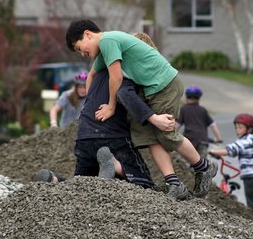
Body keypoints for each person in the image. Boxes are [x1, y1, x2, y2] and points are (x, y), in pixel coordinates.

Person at [66, 20, 218, 200]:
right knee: (145, 137)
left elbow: (116, 78)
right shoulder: (102, 53)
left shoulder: (108, 41)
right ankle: (173, 183)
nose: (82, 53)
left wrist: (111, 106)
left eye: (79, 47)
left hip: (164, 85)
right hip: (150, 91)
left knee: (165, 133)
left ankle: (203, 167)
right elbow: (91, 75)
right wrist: (89, 106)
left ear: (88, 34)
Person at [73, 68, 174, 189]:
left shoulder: (97, 74)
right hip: (112, 136)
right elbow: (125, 93)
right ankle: (115, 165)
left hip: (83, 136)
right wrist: (154, 119)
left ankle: (53, 179)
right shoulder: (125, 72)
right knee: (144, 181)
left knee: (79, 184)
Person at [209, 113, 253, 218]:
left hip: (250, 178)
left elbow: (230, 150)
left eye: (240, 127)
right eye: (236, 127)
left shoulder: (242, 142)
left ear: (250, 129)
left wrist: (214, 151)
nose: (237, 130)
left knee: (252, 204)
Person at [177, 85, 222, 157]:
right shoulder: (203, 110)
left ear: (186, 98)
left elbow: (177, 125)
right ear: (199, 99)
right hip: (203, 141)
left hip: (189, 140)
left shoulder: (184, 109)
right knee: (202, 163)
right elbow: (213, 125)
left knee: (188, 161)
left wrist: (172, 136)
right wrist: (218, 139)